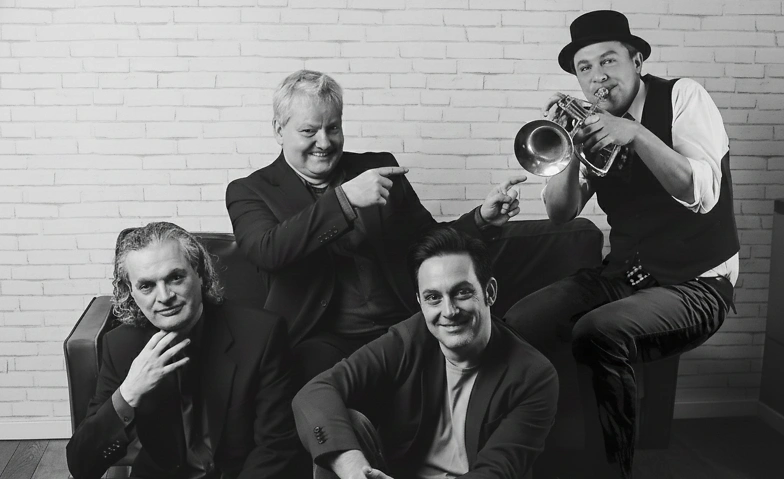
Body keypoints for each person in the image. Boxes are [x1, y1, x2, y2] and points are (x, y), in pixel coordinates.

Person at [504, 10, 740, 479]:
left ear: (636, 61)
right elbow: (560, 212)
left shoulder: (684, 97)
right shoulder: (596, 127)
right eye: (585, 68)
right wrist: (573, 150)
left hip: (698, 283)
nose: (597, 76)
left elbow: (702, 193)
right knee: (517, 324)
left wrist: (635, 133)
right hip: (626, 274)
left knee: (598, 332)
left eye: (608, 60)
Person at [226, 70, 525, 387]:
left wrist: (481, 220)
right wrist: (344, 200)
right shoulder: (249, 190)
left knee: (507, 353)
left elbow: (426, 240)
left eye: (333, 128)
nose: (324, 142)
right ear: (279, 130)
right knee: (312, 388)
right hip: (322, 339)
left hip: (404, 323)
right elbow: (267, 250)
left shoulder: (377, 167)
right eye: (309, 131)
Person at [292, 227, 558, 479]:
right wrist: (354, 471)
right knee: (345, 427)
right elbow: (315, 393)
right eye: (433, 297)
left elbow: (495, 473)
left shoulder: (533, 374)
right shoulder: (411, 338)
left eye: (462, 293)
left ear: (489, 292)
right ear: (420, 302)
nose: (449, 311)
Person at [66, 222, 308, 479]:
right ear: (132, 292)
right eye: (146, 286)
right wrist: (128, 393)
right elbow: (81, 465)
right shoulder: (121, 346)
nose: (164, 296)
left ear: (200, 274)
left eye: (175, 277)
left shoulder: (262, 334)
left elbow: (276, 447)